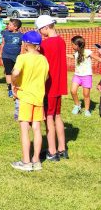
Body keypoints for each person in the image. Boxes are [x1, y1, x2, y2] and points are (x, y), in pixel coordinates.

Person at [10, 31, 48, 172]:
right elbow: (46, 77)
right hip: (39, 97)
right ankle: (36, 161)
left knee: (24, 128)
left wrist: (14, 85)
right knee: (37, 128)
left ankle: (26, 162)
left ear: (26, 43)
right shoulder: (43, 59)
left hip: (25, 96)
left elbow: (15, 73)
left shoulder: (22, 57)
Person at [35, 15, 68, 161]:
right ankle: (62, 148)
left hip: (49, 86)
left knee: (49, 118)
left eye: (40, 29)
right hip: (60, 85)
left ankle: (52, 151)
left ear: (46, 27)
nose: (39, 32)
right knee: (58, 116)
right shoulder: (61, 41)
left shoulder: (45, 45)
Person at [68, 36, 101, 116]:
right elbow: (72, 56)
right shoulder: (76, 53)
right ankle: (77, 105)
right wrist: (63, 54)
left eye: (72, 44)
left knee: (86, 95)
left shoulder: (88, 52)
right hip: (77, 75)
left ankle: (87, 110)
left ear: (77, 45)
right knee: (73, 91)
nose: (71, 46)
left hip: (86, 77)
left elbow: (98, 58)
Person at [1, 18, 23, 98]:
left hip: (16, 57)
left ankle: (16, 86)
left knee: (16, 73)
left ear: (16, 27)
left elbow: (23, 46)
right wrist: (1, 53)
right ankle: (10, 89)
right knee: (8, 72)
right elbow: (3, 43)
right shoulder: (5, 33)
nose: (8, 26)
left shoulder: (21, 35)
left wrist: (22, 55)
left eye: (10, 25)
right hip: (6, 55)